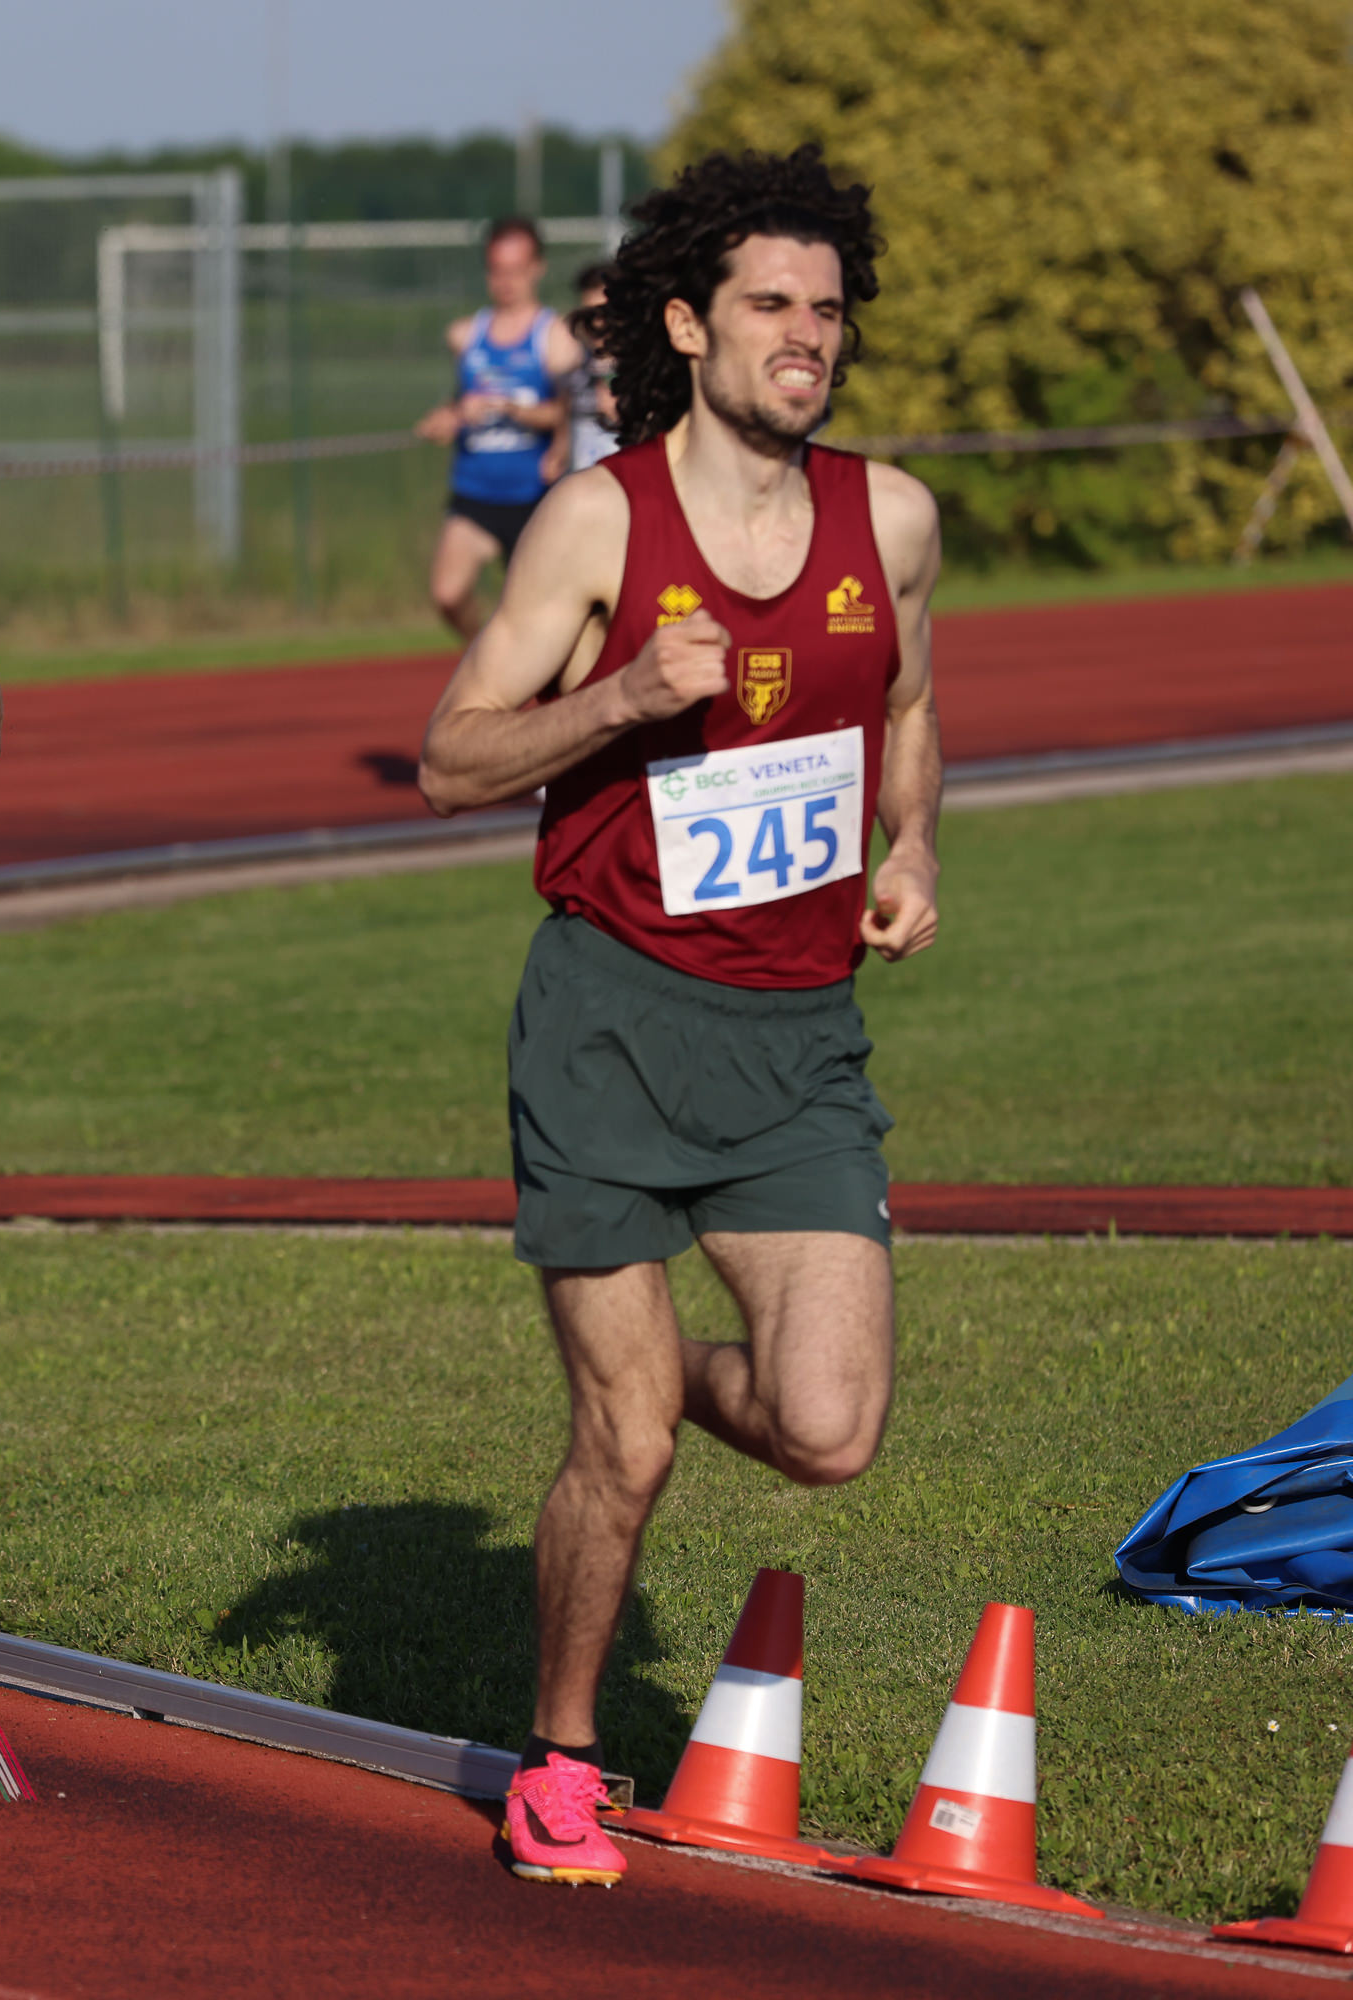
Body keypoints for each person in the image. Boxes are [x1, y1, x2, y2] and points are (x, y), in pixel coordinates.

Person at [415, 145, 941, 1889]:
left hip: (800, 1041)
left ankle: (661, 1384)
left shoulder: (893, 519)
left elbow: (910, 706)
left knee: (828, 1431)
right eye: (772, 305)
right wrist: (626, 693)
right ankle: (561, 1759)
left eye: (828, 311)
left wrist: (913, 846)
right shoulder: (599, 521)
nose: (808, 336)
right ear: (690, 326)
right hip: (612, 1023)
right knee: (623, 1442)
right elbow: (448, 758)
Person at [416, 218, 584, 639]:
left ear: (536, 268)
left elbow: (565, 413)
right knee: (448, 594)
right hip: (475, 493)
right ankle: (483, 656)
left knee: (541, 617)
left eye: (516, 270)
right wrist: (447, 418)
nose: (506, 282)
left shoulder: (554, 336)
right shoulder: (466, 336)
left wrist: (513, 410)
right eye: (496, 270)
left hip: (534, 498)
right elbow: (458, 404)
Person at [549, 262, 622, 480]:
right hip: (583, 480)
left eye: (605, 312)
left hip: (625, 483)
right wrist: (558, 450)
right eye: (588, 314)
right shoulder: (576, 364)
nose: (597, 323)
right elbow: (563, 413)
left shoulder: (642, 367)